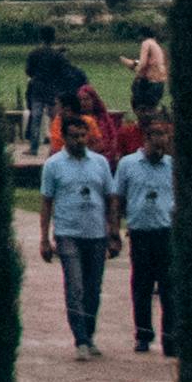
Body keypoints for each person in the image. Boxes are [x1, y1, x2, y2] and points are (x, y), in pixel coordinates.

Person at [40, 114, 120, 358]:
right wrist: (44, 237)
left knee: (93, 288)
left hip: (96, 233)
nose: (79, 140)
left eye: (83, 135)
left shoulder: (99, 163)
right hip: (68, 233)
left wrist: (113, 231)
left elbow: (111, 197)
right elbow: (46, 202)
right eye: (74, 136)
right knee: (75, 286)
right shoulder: (54, 165)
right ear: (64, 137)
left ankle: (90, 333)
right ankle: (81, 339)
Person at [115, 117, 177, 357]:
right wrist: (114, 229)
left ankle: (171, 337)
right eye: (157, 139)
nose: (162, 144)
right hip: (141, 232)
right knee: (141, 286)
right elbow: (118, 197)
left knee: (169, 287)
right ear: (146, 139)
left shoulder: (172, 165)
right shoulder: (129, 164)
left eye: (166, 139)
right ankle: (143, 334)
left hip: (165, 232)